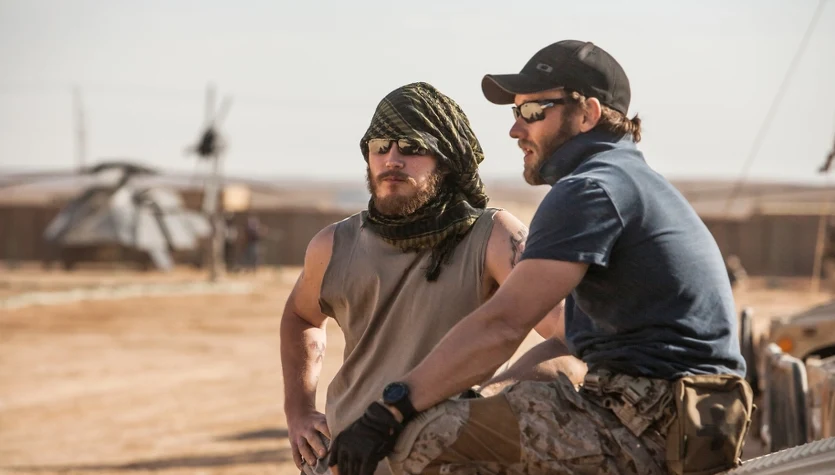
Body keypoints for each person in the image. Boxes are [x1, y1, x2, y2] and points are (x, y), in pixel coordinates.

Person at [327, 41, 753, 475]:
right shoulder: (624, 178)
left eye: (533, 111)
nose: (516, 129)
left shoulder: (589, 189)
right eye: (516, 112)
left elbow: (504, 324)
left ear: (587, 114)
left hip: (656, 416)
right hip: (690, 414)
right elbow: (559, 335)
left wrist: (391, 408)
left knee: (421, 437)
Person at [279, 82, 586, 475]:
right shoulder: (334, 244)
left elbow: (572, 333)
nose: (392, 159)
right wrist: (299, 410)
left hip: (448, 461)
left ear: (447, 158)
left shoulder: (493, 237)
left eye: (412, 147)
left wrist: (486, 397)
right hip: (347, 460)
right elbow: (301, 317)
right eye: (380, 146)